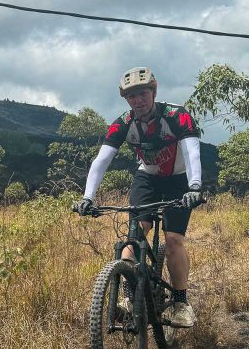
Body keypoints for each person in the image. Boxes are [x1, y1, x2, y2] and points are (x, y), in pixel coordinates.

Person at [74, 67, 203, 327]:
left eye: (143, 94)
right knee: (134, 235)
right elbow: (101, 160)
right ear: (126, 100)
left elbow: (192, 153)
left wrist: (195, 187)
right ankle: (127, 298)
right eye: (131, 97)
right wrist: (88, 197)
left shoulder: (177, 115)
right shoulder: (123, 123)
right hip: (148, 178)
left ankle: (180, 304)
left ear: (153, 92)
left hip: (179, 180)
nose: (138, 101)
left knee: (173, 239)